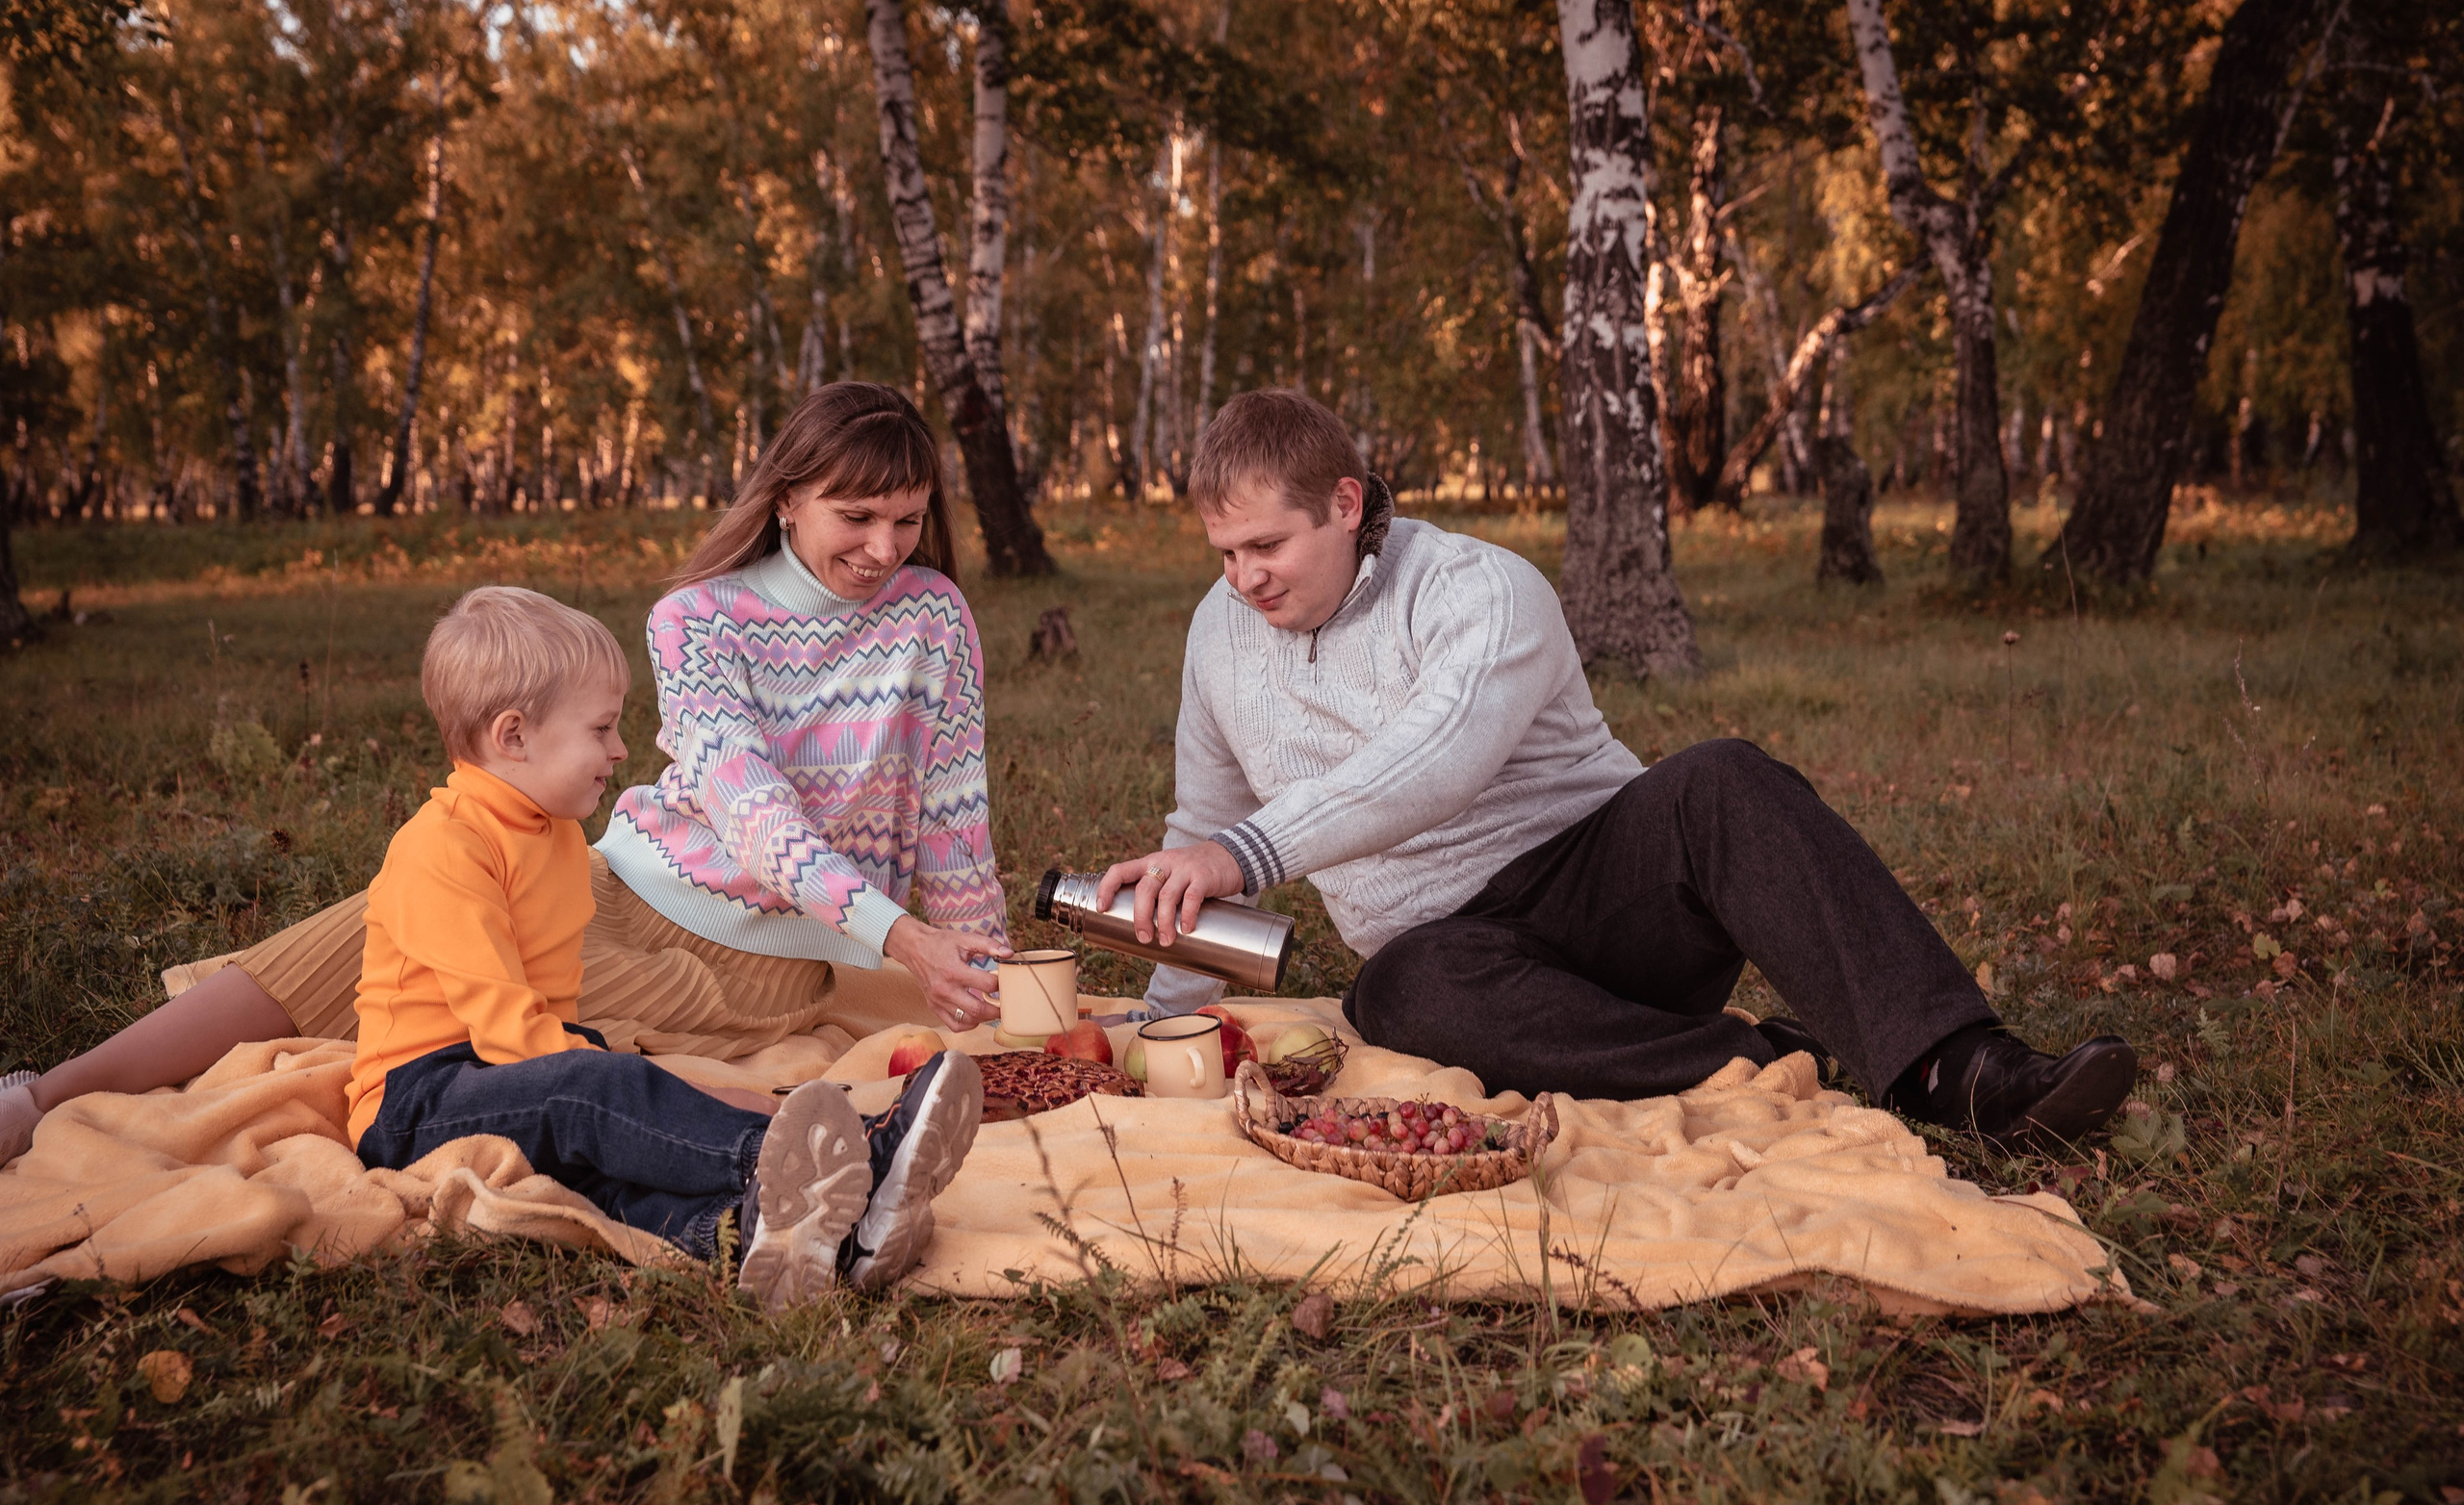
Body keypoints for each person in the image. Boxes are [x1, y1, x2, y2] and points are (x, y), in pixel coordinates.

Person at [1, 383, 1010, 1168]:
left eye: (908, 520)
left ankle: (52, 1098)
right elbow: (750, 808)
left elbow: (955, 815)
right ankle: (48, 1097)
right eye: (858, 515)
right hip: (605, 876)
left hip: (742, 962)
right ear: (787, 498)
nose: (885, 548)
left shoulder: (931, 617)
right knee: (381, 910)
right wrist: (898, 931)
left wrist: (990, 975)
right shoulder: (694, 619)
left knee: (482, 1003)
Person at [1096, 390, 2136, 1147]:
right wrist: (1157, 1019)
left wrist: (1245, 853)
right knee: (1401, 989)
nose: (1244, 578)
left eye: (1265, 545)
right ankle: (1772, 1060)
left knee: (1722, 776)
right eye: (1223, 553)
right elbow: (1206, 818)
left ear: (1344, 501)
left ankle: (1959, 1067)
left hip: (1606, 897)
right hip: (1462, 960)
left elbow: (1436, 759)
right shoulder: (1218, 633)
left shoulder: (1478, 588)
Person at [344, 585, 977, 1303]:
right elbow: (510, 1035)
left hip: (508, 1073)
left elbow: (546, 1031)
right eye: (602, 729)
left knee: (604, 1169)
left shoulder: (550, 832)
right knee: (597, 1090)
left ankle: (769, 1233)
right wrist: (666, 1089)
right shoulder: (444, 847)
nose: (620, 749)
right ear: (513, 736)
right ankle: (833, 1156)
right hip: (414, 1101)